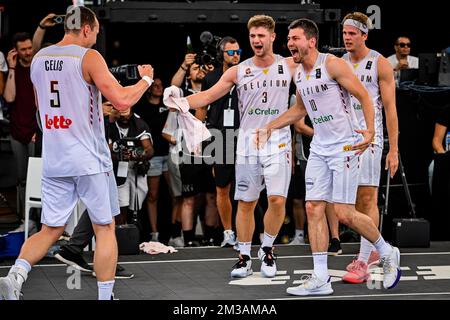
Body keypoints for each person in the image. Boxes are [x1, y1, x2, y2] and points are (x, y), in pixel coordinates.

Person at [0, 6, 154, 300]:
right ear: (86, 28)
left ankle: (15, 276)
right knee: (105, 227)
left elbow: (40, 107)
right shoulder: (88, 56)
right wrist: (144, 80)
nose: (96, 36)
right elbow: (122, 101)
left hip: (55, 157)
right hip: (89, 158)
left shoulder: (39, 58)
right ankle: (105, 296)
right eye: (95, 31)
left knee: (50, 229)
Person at [257, 18, 401, 295]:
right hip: (320, 148)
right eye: (288, 39)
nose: (290, 44)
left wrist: (370, 130)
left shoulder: (333, 64)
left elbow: (364, 97)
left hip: (344, 147)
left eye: (295, 38)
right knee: (314, 208)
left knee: (345, 212)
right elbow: (299, 110)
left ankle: (386, 251)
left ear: (311, 41)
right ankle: (321, 278)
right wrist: (269, 126)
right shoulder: (298, 73)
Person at [165, 15, 297, 277]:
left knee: (277, 200)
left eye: (261, 35)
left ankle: (268, 250)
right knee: (246, 202)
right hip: (247, 143)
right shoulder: (239, 70)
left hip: (278, 141)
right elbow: (209, 95)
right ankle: (244, 256)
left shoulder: (290, 65)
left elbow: (322, 72)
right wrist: (182, 102)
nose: (257, 40)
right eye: (253, 36)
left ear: (272, 37)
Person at [338, 12, 400, 284]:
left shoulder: (380, 63)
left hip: (370, 139)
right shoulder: (338, 63)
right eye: (345, 33)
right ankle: (375, 249)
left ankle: (364, 259)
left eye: (352, 33)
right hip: (344, 141)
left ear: (364, 35)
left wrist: (393, 148)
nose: (347, 38)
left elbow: (390, 109)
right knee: (343, 205)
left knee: (367, 199)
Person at [200, 36, 241, 247]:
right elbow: (201, 110)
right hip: (220, 138)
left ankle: (250, 232)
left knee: (246, 187)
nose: (235, 56)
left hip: (242, 136)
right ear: (222, 54)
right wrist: (197, 138)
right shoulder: (211, 77)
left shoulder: (246, 75)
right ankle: (227, 232)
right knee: (222, 187)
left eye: (238, 52)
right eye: (231, 52)